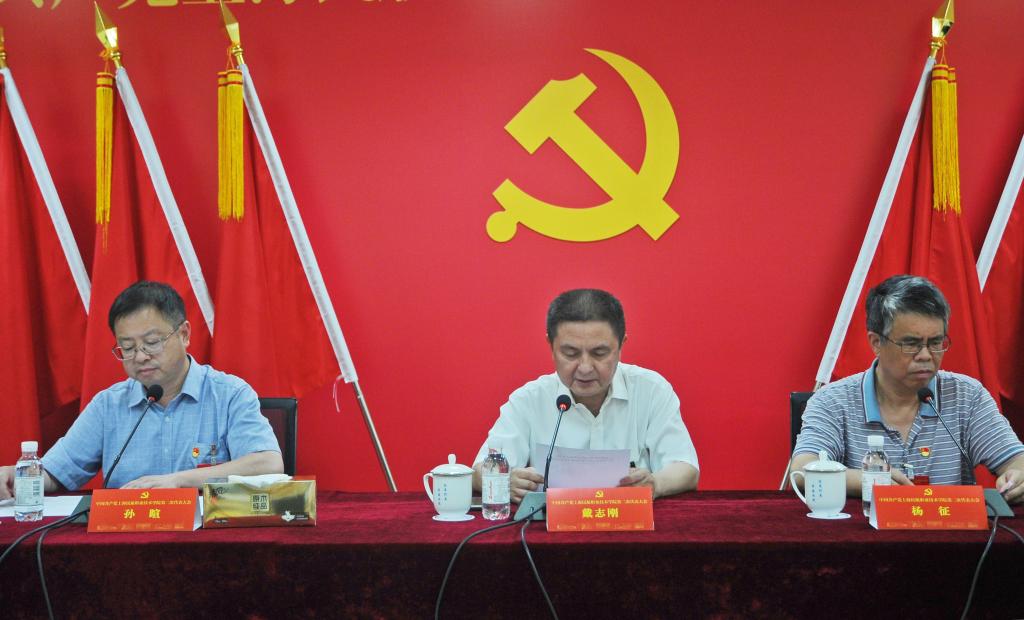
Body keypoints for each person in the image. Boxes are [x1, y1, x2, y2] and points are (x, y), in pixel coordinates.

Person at [0, 281, 283, 497]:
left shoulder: (229, 394)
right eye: (127, 347)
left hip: (206, 538)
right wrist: (20, 476)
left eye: (151, 343)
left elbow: (268, 464)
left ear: (184, 334)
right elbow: (57, 472)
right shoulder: (109, 405)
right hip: (124, 539)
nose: (140, 356)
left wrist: (179, 481)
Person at [792, 275, 1024, 503]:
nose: (925, 355)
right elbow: (803, 470)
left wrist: (1017, 478)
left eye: (935, 343)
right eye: (911, 344)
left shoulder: (966, 396)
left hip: (947, 526)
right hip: (866, 527)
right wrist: (868, 480)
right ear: (876, 343)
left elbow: (1016, 461)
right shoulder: (833, 401)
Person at [472, 288, 699, 503]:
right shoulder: (529, 400)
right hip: (549, 527)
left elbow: (685, 468)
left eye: (599, 353)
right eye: (570, 353)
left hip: (632, 525)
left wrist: (655, 484)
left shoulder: (651, 390)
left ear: (621, 346)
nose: (585, 367)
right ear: (551, 346)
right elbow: (480, 469)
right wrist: (505, 481)